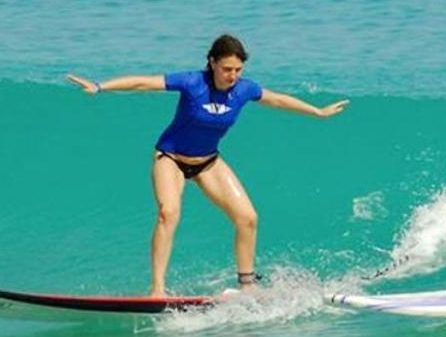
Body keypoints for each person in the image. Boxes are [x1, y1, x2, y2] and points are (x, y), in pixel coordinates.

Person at [67, 34, 349, 296]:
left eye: (238, 70)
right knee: (169, 213)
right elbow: (144, 83)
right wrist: (100, 86)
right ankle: (157, 289)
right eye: (227, 69)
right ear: (212, 62)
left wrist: (317, 112)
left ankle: (247, 285)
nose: (233, 76)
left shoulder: (244, 89)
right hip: (171, 158)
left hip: (208, 161)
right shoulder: (192, 83)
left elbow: (276, 100)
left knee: (248, 218)